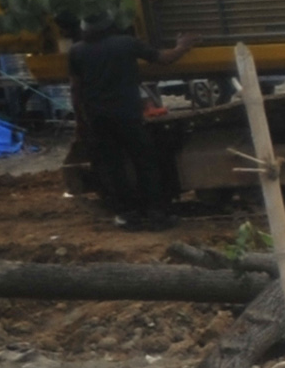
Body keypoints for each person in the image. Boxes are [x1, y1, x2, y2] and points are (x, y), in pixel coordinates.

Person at [63, 17, 190, 225]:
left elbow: (75, 90)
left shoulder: (76, 51)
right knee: (145, 162)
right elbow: (164, 59)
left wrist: (81, 122)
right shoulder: (126, 43)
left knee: (113, 167)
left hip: (97, 119)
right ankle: (156, 213)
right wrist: (182, 46)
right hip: (127, 116)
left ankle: (126, 214)